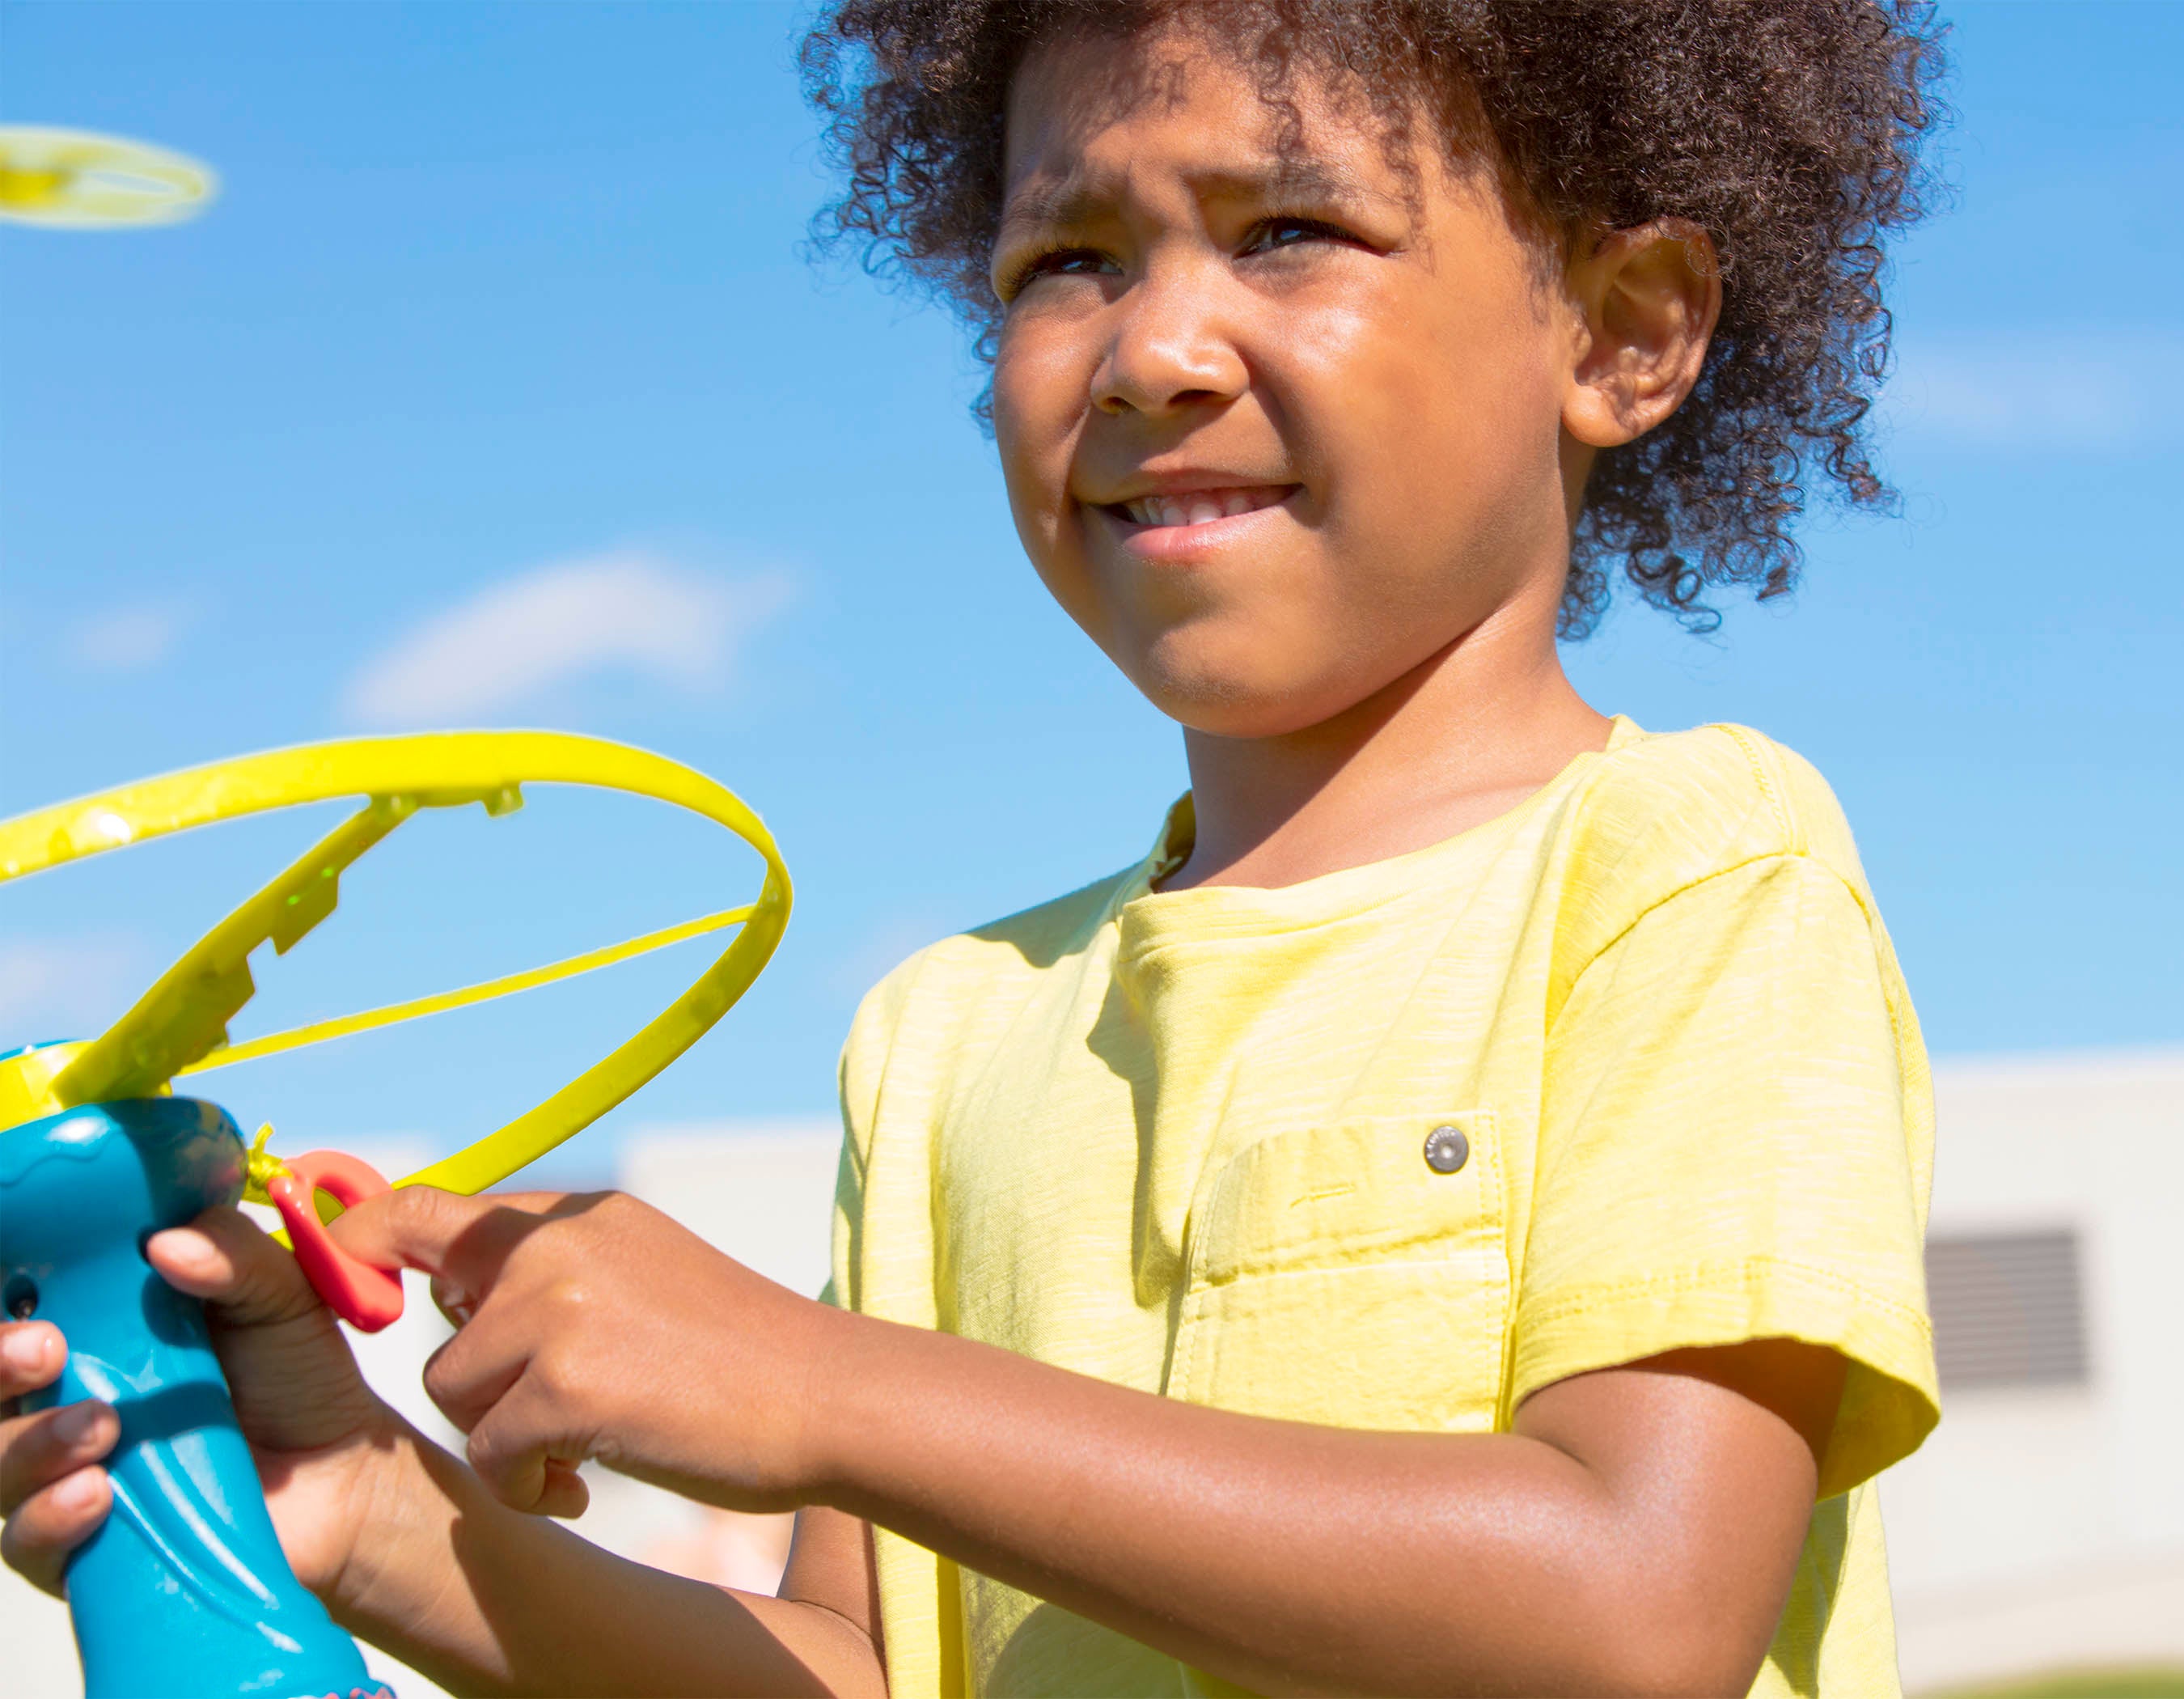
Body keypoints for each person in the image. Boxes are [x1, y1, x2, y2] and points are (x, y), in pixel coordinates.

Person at [0, 2, 1951, 1693]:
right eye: (1066, 264)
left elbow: (1634, 1609)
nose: (1152, 353)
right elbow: (864, 1669)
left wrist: (819, 1387)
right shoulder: (945, 1036)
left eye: (1289, 231)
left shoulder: (1690, 874)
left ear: (1624, 333)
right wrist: (366, 1518)